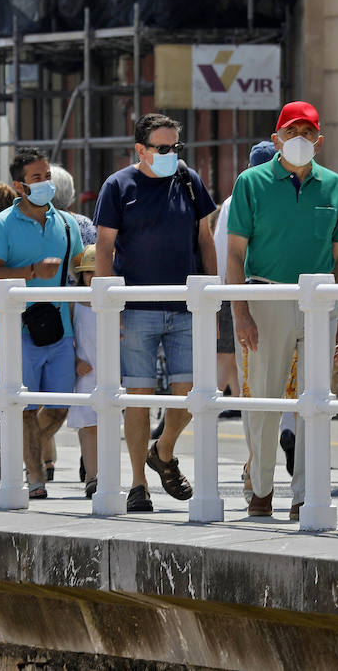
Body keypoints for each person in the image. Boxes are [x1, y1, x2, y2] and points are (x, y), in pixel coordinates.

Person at [227, 100, 338, 520]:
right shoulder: (251, 182)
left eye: (308, 132)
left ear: (320, 139)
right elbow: (234, 254)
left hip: (319, 303)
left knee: (315, 400)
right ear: (276, 137)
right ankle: (260, 490)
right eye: (292, 131)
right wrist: (240, 311)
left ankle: (306, 495)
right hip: (265, 296)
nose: (300, 139)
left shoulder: (336, 185)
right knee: (263, 398)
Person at [95, 112, 216, 513]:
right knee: (138, 400)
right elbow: (103, 249)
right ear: (141, 150)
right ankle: (138, 484)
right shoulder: (118, 185)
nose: (170, 155)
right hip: (136, 310)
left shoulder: (188, 180)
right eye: (162, 148)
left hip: (185, 308)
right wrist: (109, 307)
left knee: (192, 395)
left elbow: (206, 239)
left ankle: (162, 452)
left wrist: (212, 297)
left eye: (175, 147)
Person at [0, 146, 83, 499]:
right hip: (16, 331)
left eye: (47, 176)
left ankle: (19, 452)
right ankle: (35, 479)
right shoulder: (0, 225)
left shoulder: (68, 223)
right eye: (36, 178)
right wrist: (32, 272)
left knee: (57, 408)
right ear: (20, 186)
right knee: (23, 406)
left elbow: (80, 270)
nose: (45, 184)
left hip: (59, 330)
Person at [36, 164, 99, 482]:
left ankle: (43, 458)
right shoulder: (85, 224)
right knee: (83, 401)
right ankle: (86, 465)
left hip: (51, 316)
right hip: (84, 314)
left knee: (48, 398)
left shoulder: (40, 224)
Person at [213, 141, 279, 419]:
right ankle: (261, 410)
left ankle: (233, 402)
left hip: (237, 286)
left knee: (234, 352)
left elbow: (221, 250)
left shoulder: (234, 200)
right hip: (276, 287)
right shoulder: (287, 195)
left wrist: (217, 293)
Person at [68, 245, 101, 499]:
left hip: (109, 371)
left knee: (108, 424)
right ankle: (92, 476)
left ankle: (104, 474)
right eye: (88, 273)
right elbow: (67, 336)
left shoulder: (117, 301)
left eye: (97, 271)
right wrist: (74, 361)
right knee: (88, 426)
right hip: (85, 371)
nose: (92, 277)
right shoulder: (73, 301)